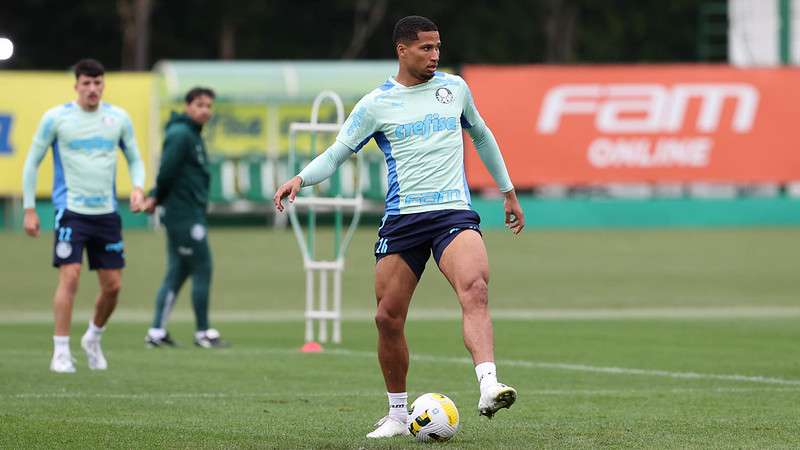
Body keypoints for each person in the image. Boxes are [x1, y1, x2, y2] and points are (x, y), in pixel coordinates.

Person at [273, 16, 525, 438]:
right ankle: (396, 414)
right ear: (402, 50)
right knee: (388, 318)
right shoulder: (376, 104)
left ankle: (488, 385)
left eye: (438, 47)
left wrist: (508, 190)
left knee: (476, 288)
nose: (435, 56)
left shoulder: (455, 89)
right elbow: (337, 153)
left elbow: (481, 136)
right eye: (426, 48)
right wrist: (301, 177)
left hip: (453, 213)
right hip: (403, 219)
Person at [22, 58, 146, 373]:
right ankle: (61, 351)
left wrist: (138, 187)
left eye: (98, 83)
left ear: (103, 84)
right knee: (71, 275)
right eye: (87, 83)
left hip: (106, 213)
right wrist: (29, 208)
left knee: (113, 286)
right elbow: (31, 162)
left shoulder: (117, 118)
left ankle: (93, 336)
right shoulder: (56, 118)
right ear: (76, 85)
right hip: (71, 211)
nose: (93, 89)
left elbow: (134, 157)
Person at [141, 87, 227, 349]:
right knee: (203, 267)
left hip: (188, 212)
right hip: (183, 215)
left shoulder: (191, 134)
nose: (205, 111)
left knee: (177, 272)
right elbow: (166, 171)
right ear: (188, 106)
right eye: (200, 105)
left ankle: (156, 332)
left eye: (209, 106)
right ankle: (203, 333)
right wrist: (155, 197)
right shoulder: (181, 134)